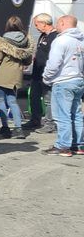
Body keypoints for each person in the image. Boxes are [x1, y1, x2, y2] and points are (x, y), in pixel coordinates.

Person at [42, 14, 84, 156]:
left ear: (62, 23)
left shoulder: (61, 41)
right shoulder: (80, 41)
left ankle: (63, 146)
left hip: (63, 81)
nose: (56, 26)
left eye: (58, 23)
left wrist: (46, 77)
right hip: (78, 79)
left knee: (62, 115)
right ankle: (78, 145)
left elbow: (54, 63)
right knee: (76, 114)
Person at [0, 15, 34, 139]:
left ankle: (5, 127)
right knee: (13, 101)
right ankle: (18, 129)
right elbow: (27, 61)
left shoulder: (2, 41)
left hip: (2, 74)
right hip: (17, 75)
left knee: (0, 101)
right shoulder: (26, 41)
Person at [24, 13, 58, 133]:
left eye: (37, 25)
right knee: (34, 96)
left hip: (47, 74)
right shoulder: (43, 35)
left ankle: (50, 124)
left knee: (49, 99)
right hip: (37, 73)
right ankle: (35, 119)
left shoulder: (55, 36)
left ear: (44, 23)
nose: (36, 27)